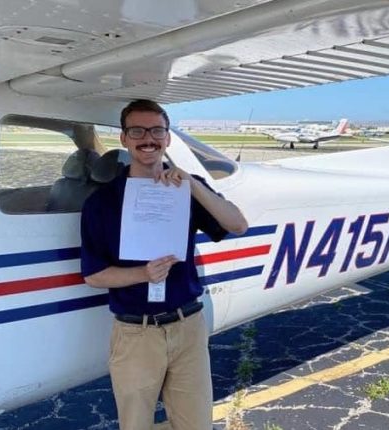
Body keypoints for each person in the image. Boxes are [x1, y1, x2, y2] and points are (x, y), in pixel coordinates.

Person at [80, 99, 248, 430]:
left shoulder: (186, 189)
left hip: (188, 326)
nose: (148, 139)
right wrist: (143, 274)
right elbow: (94, 275)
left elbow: (237, 224)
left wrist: (193, 184)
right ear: (124, 139)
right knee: (136, 424)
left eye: (157, 130)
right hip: (135, 333)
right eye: (138, 131)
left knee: (196, 425)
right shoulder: (101, 203)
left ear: (167, 138)